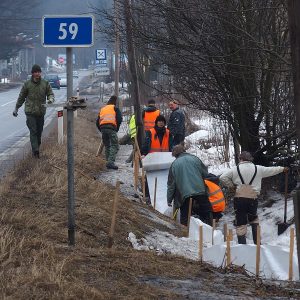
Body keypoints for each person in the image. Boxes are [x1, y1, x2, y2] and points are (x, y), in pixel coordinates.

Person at [220, 151, 288, 244]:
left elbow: (222, 177)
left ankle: (242, 245)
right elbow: (271, 170)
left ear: (241, 159)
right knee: (254, 219)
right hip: (253, 199)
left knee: (241, 222)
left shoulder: (235, 169)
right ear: (250, 159)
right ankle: (257, 244)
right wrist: (282, 169)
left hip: (239, 199)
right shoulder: (258, 169)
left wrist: (231, 186)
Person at [12, 64, 54, 158]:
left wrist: (50, 99)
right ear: (32, 73)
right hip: (30, 112)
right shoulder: (27, 84)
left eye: (38, 72)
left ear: (40, 73)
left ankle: (36, 148)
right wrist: (16, 108)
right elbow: (21, 97)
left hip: (41, 111)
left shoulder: (45, 83)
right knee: (33, 131)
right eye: (35, 72)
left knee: (39, 132)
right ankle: (35, 151)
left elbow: (50, 93)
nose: (37, 74)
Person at [167, 144, 212, 226]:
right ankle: (211, 230)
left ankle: (185, 234)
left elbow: (171, 185)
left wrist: (169, 199)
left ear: (175, 155)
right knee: (207, 211)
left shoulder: (174, 165)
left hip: (184, 194)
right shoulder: (195, 159)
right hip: (200, 190)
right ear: (184, 151)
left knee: (185, 215)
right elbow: (205, 173)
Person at [96, 95, 123, 170]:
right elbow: (119, 119)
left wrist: (101, 129)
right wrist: (116, 128)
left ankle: (108, 162)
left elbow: (97, 122)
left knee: (107, 145)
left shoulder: (103, 109)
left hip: (103, 128)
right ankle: (110, 162)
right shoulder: (114, 108)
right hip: (111, 128)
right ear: (115, 102)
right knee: (115, 145)